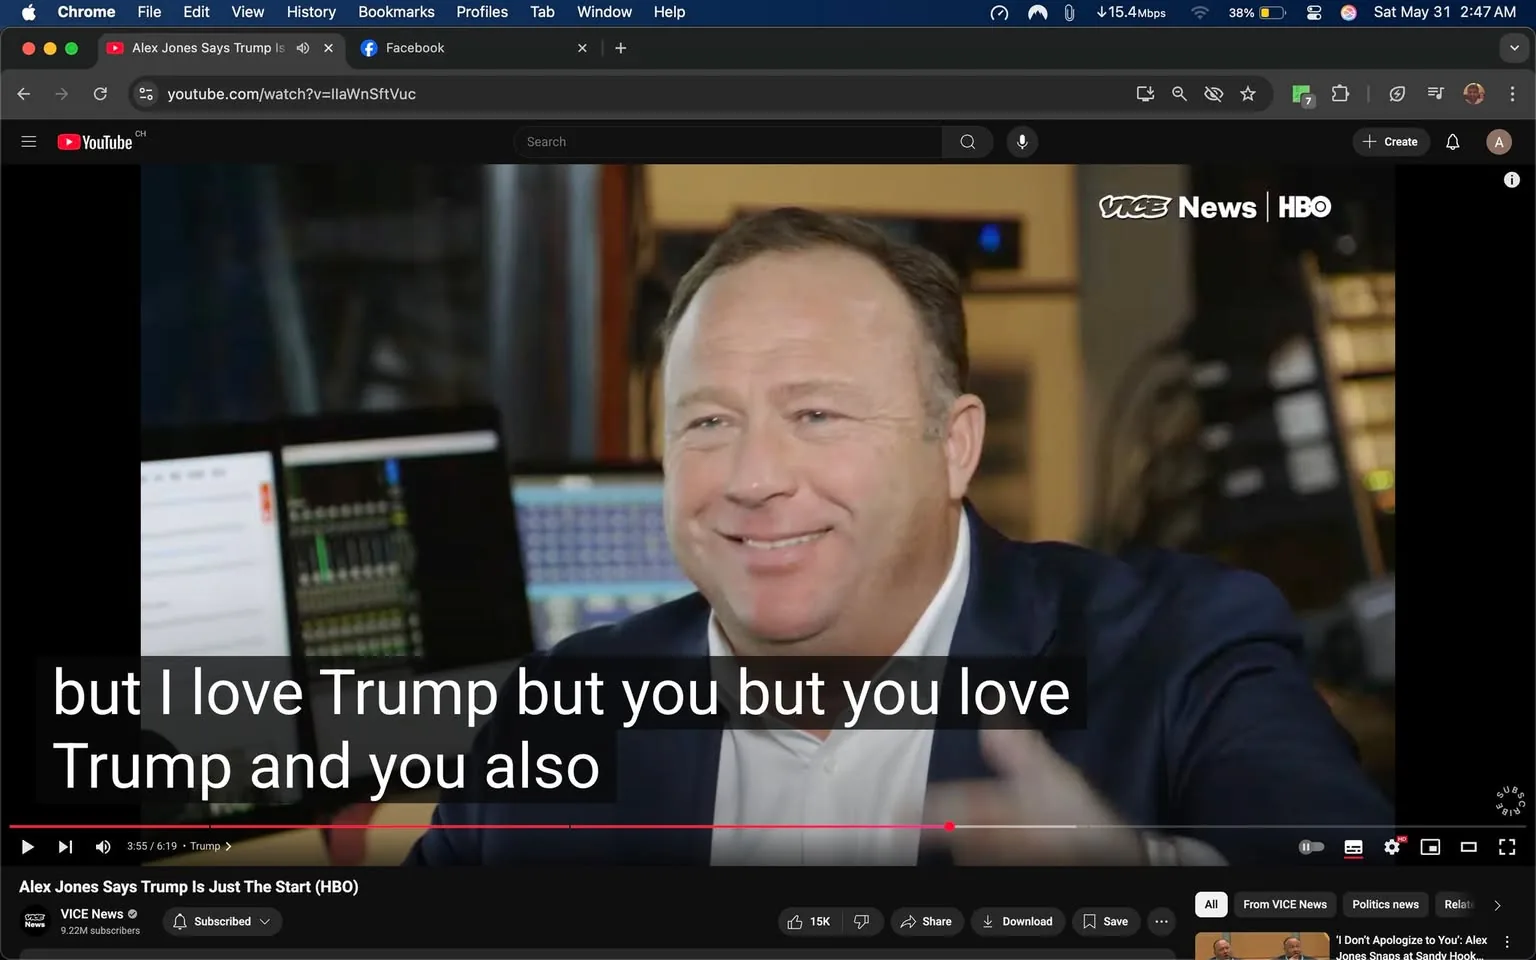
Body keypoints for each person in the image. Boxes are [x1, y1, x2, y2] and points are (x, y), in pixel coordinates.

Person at [407, 206, 1391, 867]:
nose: (753, 480)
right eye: (707, 422)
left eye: (818, 416)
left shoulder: (1181, 651)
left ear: (953, 448)